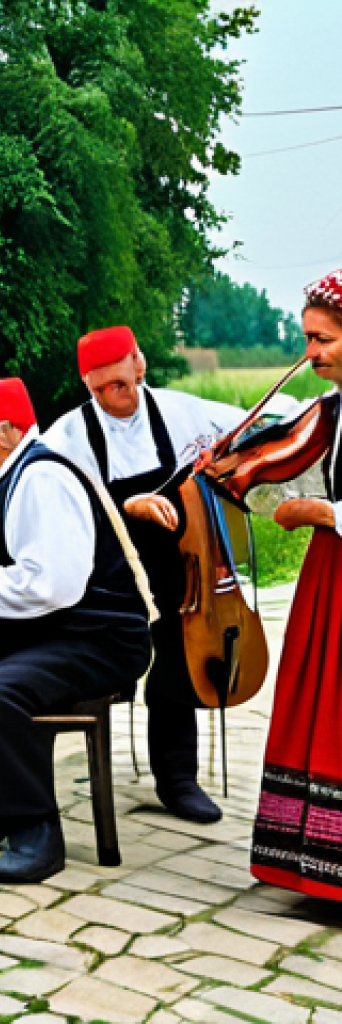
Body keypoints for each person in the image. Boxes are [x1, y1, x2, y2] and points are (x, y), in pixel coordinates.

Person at [0, 378, 152, 883]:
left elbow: (52, 586)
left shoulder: (44, 478)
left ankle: (37, 830)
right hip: (43, 628)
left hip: (99, 636)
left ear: (4, 432)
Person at [43, 326, 247, 824]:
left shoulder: (185, 412)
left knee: (177, 663)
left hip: (179, 562)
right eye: (97, 389)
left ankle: (178, 779)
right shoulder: (67, 434)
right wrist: (124, 506)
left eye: (120, 383)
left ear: (140, 364)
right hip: (106, 570)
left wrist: (234, 463)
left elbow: (258, 435)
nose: (112, 397)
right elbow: (51, 501)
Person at [249, 268, 342, 900]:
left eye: (324, 340)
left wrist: (326, 513)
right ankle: (309, 862)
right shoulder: (331, 409)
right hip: (328, 575)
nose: (311, 353)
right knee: (316, 699)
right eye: (308, 338)